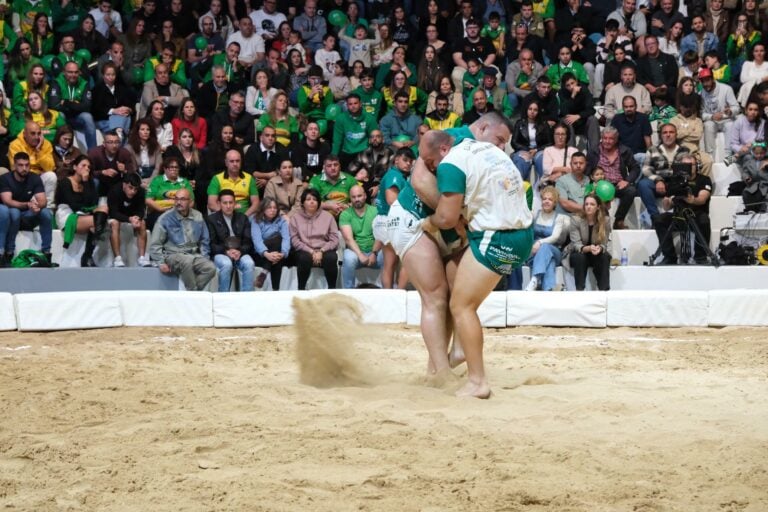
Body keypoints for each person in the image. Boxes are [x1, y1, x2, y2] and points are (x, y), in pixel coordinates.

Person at [422, 131, 533, 398]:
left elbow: (447, 218)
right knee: (461, 296)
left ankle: (477, 381)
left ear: (443, 149)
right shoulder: (487, 149)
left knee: (461, 306)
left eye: (430, 162)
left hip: (496, 237)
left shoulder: (450, 164)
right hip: (523, 232)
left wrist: (431, 222)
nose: (431, 168)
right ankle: (460, 352)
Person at [149, 187, 216, 291]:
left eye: (183, 199)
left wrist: (204, 257)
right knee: (187, 261)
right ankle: (193, 292)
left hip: (193, 255)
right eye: (176, 199)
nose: (178, 202)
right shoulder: (165, 218)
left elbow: (204, 240)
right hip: (172, 255)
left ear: (190, 202)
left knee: (210, 268)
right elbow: (155, 244)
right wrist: (161, 262)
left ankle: (192, 291)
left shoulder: (198, 216)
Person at [652, 154, 713, 264]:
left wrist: (692, 200)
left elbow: (702, 198)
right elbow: (667, 207)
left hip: (696, 215)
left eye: (690, 165)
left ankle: (701, 257)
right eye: (684, 165)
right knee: (659, 219)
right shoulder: (674, 180)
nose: (687, 168)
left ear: (697, 166)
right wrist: (667, 199)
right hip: (678, 216)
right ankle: (669, 257)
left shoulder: (704, 180)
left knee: (704, 219)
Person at [54, 155, 108, 267]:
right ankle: (87, 255)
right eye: (83, 165)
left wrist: (86, 182)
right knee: (98, 222)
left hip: (83, 214)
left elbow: (92, 202)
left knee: (103, 209)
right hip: (67, 214)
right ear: (75, 167)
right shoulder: (65, 182)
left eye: (88, 166)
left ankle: (87, 255)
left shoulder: (89, 182)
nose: (86, 168)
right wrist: (89, 210)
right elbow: (73, 204)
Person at [0, 151, 53, 265]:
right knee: (14, 212)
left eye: (27, 165)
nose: (24, 168)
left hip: (28, 214)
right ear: (14, 165)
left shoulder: (34, 178)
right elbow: (7, 201)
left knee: (45, 213)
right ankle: (8, 251)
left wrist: (37, 206)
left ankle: (46, 252)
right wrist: (27, 205)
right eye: (20, 165)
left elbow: (43, 200)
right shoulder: (5, 179)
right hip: (11, 215)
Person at [373, 147, 413, 289]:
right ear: (396, 160)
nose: (408, 163)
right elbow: (392, 200)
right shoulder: (394, 176)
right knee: (407, 261)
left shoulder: (398, 175)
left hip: (385, 221)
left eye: (410, 161)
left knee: (390, 264)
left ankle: (390, 296)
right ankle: (399, 295)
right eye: (405, 160)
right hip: (390, 221)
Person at [586, 127, 641, 229]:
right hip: (600, 186)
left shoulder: (624, 150)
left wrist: (627, 181)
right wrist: (593, 183)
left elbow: (635, 168)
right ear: (601, 138)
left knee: (631, 190)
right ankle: (600, 224)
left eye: (611, 139)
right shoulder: (594, 151)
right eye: (605, 138)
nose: (607, 141)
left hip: (618, 185)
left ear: (616, 139)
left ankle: (619, 220)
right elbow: (587, 170)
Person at [289, 188, 339, 290]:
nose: (312, 202)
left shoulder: (328, 216)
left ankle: (332, 289)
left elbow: (334, 239)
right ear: (303, 202)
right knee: (304, 258)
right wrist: (311, 251)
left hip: (324, 249)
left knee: (331, 257)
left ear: (319, 202)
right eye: (308, 199)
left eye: (315, 199)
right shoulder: (295, 218)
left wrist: (321, 251)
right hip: (304, 250)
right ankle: (301, 289)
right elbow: (295, 240)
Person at [207, 188, 255, 292]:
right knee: (226, 264)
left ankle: (248, 298)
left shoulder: (243, 218)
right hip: (221, 253)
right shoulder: (212, 219)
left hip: (240, 252)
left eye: (230, 202)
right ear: (219, 203)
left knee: (249, 263)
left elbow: (248, 242)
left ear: (235, 203)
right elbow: (211, 244)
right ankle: (223, 297)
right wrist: (226, 251)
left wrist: (240, 251)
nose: (228, 206)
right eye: (225, 203)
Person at [525, 186, 568, 291]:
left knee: (545, 247)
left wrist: (539, 242)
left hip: (553, 250)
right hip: (534, 251)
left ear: (555, 203)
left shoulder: (559, 217)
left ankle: (535, 279)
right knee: (550, 262)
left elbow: (555, 237)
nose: (546, 201)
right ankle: (549, 288)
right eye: (544, 199)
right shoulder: (535, 214)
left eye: (550, 199)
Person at [339, 185, 382, 288]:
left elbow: (381, 235)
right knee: (348, 257)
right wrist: (360, 254)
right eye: (353, 197)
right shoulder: (345, 214)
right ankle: (348, 292)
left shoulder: (376, 211)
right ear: (350, 198)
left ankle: (389, 290)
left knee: (389, 254)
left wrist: (374, 253)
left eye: (359, 196)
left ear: (365, 196)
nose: (357, 199)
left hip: (375, 251)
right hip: (356, 252)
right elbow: (348, 239)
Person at [567, 193, 612, 290]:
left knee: (604, 256)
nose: (588, 207)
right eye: (586, 204)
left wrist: (600, 248)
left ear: (598, 207)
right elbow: (576, 244)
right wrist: (588, 248)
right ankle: (580, 289)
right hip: (580, 252)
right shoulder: (576, 219)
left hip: (596, 253)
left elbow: (604, 243)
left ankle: (604, 291)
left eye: (592, 204)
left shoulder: (605, 221)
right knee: (580, 257)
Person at [7, 120, 56, 207]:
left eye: (39, 133)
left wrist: (39, 151)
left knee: (51, 176)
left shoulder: (46, 144)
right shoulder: (15, 145)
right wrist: (37, 172)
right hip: (23, 180)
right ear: (25, 134)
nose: (36, 137)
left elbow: (50, 168)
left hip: (38, 179)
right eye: (33, 133)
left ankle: (48, 208)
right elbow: (16, 169)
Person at [49, 61, 95, 150]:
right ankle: (60, 150)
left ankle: (93, 152)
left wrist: (66, 103)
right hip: (63, 118)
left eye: (76, 72)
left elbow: (87, 107)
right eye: (70, 72)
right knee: (60, 115)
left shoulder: (84, 83)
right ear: (64, 72)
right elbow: (53, 105)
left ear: (79, 72)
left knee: (88, 117)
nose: (73, 75)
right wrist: (76, 104)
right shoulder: (57, 82)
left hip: (77, 118)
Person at [107, 173, 149, 268]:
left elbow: (141, 210)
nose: (133, 191)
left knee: (142, 223)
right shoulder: (114, 191)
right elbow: (113, 212)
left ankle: (142, 257)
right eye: (130, 188)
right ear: (124, 184)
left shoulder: (141, 192)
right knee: (115, 223)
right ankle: (117, 258)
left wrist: (137, 218)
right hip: (117, 216)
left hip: (132, 216)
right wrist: (129, 219)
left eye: (135, 189)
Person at [699, 67, 740, 165]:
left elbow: (737, 108)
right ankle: (710, 158)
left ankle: (728, 157)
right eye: (703, 81)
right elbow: (700, 114)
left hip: (726, 119)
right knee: (708, 125)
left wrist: (730, 111)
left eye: (708, 80)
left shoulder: (726, 89)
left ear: (713, 79)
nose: (706, 84)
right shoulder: (700, 94)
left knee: (730, 125)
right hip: (712, 121)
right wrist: (712, 116)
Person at [145, 156, 194, 230]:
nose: (174, 169)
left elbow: (191, 201)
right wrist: (161, 209)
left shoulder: (184, 182)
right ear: (165, 169)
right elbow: (148, 200)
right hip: (159, 212)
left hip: (181, 212)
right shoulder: (157, 180)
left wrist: (182, 211)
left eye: (176, 167)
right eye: (171, 167)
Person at [251, 197, 290, 289]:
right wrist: (266, 253)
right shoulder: (256, 220)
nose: (272, 210)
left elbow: (286, 238)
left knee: (277, 247)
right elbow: (257, 240)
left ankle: (264, 273)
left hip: (277, 251)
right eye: (269, 207)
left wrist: (283, 253)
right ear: (263, 208)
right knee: (277, 241)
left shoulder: (281, 220)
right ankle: (275, 289)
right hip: (261, 252)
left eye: (275, 208)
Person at [207, 149, 259, 217]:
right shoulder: (217, 179)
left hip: (245, 215)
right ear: (226, 163)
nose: (235, 164)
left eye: (237, 161)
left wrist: (244, 217)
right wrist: (227, 215)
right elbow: (211, 204)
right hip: (223, 215)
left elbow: (256, 203)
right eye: (232, 161)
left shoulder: (249, 178)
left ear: (241, 162)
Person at [511, 100, 551, 181]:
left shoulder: (544, 124)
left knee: (542, 159)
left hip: (539, 150)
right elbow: (514, 142)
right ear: (526, 110)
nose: (532, 112)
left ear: (538, 111)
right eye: (530, 109)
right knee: (522, 159)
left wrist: (536, 150)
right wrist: (528, 150)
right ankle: (521, 185)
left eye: (535, 110)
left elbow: (550, 143)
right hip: (523, 150)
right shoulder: (519, 123)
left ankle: (544, 185)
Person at [92, 62, 134, 139]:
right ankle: (118, 132)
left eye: (113, 74)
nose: (111, 77)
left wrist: (128, 109)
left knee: (126, 118)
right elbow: (96, 110)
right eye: (108, 75)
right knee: (121, 131)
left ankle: (119, 130)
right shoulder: (97, 89)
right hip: (104, 119)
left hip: (121, 117)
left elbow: (130, 104)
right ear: (103, 75)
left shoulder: (121, 88)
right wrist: (113, 111)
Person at [636, 35, 679, 103]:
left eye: (653, 43)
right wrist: (648, 85)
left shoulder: (669, 58)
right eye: (648, 44)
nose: (651, 46)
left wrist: (664, 86)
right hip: (650, 93)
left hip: (668, 91)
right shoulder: (640, 62)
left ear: (658, 44)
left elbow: (673, 76)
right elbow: (639, 77)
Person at [611, 95, 652, 165]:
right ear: (623, 107)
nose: (628, 109)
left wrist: (651, 156)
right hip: (623, 155)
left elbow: (648, 140)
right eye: (626, 107)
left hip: (640, 154)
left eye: (631, 106)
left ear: (636, 106)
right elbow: (613, 139)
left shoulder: (643, 118)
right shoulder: (617, 119)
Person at [505, 48, 544, 115]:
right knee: (511, 97)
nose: (527, 62)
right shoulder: (512, 67)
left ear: (533, 60)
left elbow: (539, 88)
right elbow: (510, 88)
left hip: (533, 96)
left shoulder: (538, 67)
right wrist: (527, 94)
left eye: (529, 59)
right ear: (519, 60)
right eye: (524, 59)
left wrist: (529, 74)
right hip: (518, 94)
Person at [556, 151, 590, 215]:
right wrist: (587, 208)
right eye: (575, 163)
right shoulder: (562, 180)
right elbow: (564, 203)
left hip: (586, 216)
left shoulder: (589, 180)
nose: (578, 165)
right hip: (568, 217)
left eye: (581, 163)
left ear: (586, 164)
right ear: (570, 164)